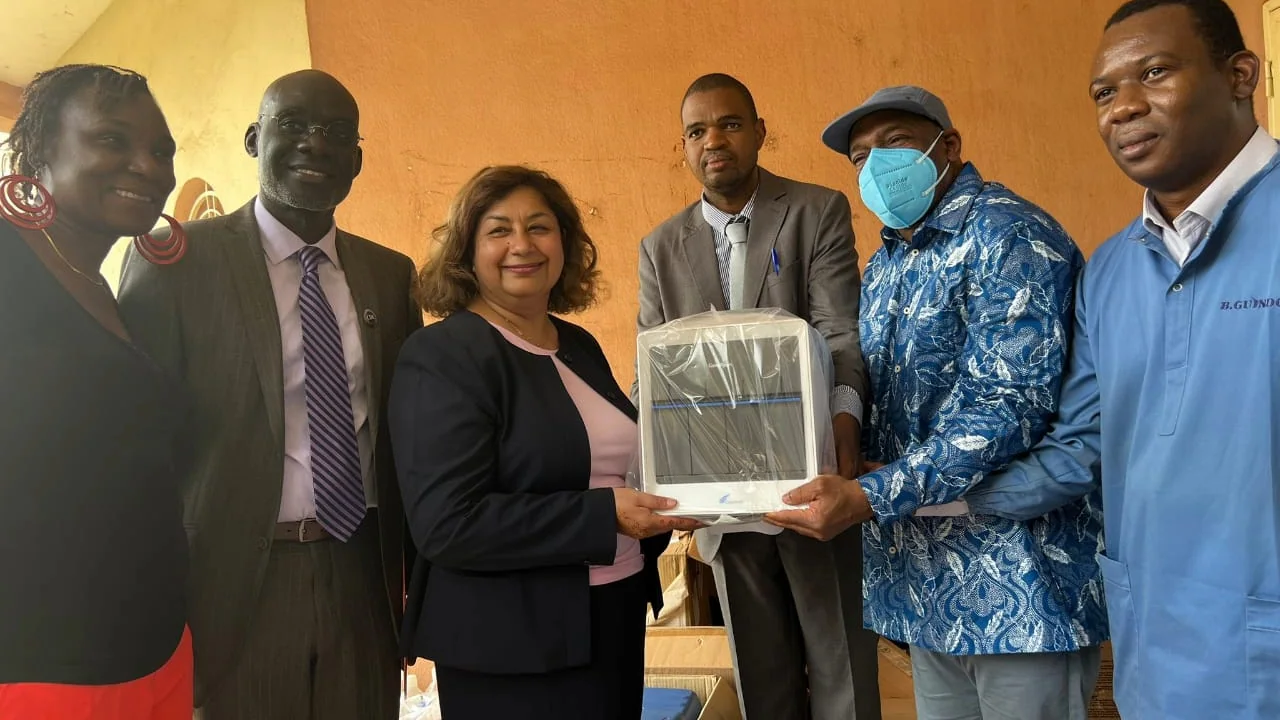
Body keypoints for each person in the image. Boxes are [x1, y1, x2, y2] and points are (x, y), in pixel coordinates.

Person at [960, 1, 1280, 717]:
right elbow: (1080, 451)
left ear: (1240, 75)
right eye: (1105, 92)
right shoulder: (1108, 272)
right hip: (1156, 659)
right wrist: (920, 496)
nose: (1124, 107)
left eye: (1155, 73)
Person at [771, 85, 1108, 720]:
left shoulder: (1008, 234)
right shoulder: (889, 261)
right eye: (860, 157)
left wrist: (873, 494)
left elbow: (1006, 405)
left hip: (1017, 581)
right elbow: (880, 389)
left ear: (947, 146)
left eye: (893, 144)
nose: (876, 167)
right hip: (924, 579)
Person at [117, 69, 421, 720]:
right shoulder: (177, 261)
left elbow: (405, 437)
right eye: (293, 126)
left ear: (357, 161)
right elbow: (135, 443)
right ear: (255, 138)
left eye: (336, 134)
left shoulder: (390, 276)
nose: (315, 144)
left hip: (360, 574)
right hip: (229, 582)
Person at [389, 165, 699, 719]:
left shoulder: (575, 343)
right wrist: (605, 517)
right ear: (467, 251)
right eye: (498, 230)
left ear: (564, 243)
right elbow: (447, 524)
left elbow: (608, 462)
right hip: (511, 647)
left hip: (613, 615)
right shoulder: (442, 356)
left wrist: (689, 496)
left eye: (539, 227)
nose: (522, 246)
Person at [637, 72, 881, 720]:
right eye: (697, 130)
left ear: (759, 132)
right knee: (760, 681)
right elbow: (651, 372)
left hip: (812, 487)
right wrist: (656, 474)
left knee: (842, 676)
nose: (713, 140)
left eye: (730, 123)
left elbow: (838, 331)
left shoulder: (815, 210)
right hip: (717, 507)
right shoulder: (660, 248)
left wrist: (844, 428)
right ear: (683, 147)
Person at [0, 64, 192, 719]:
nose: (147, 165)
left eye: (162, 149)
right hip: (40, 671)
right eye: (112, 140)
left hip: (156, 652)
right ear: (38, 154)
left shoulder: (103, 285)